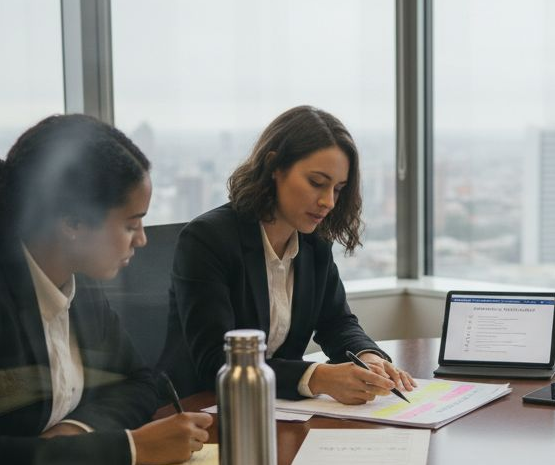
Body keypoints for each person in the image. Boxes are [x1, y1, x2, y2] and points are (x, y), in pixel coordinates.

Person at [0, 114, 212, 465]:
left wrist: (75, 432)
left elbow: (140, 382)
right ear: (72, 223)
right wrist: (131, 448)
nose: (141, 240)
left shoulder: (79, 284)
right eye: (131, 225)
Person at [161, 105, 415, 403]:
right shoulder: (208, 239)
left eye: (338, 189)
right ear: (275, 167)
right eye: (317, 183)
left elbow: (337, 323)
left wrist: (368, 356)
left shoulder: (314, 243)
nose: (329, 202)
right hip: (204, 409)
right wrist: (317, 377)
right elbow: (216, 362)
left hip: (279, 408)